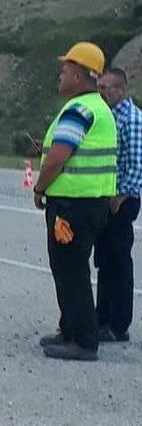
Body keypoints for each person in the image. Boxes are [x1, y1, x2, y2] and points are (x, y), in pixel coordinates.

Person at [35, 42, 117, 361]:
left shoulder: (79, 109)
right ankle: (70, 328)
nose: (61, 75)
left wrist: (40, 187)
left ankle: (83, 340)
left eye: (66, 70)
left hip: (72, 204)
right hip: (90, 202)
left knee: (70, 270)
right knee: (70, 266)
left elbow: (58, 156)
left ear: (80, 76)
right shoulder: (99, 108)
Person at [94, 67, 142, 342]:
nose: (102, 92)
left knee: (119, 261)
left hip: (121, 200)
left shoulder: (132, 119)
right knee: (105, 261)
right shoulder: (111, 117)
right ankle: (102, 316)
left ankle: (118, 323)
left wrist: (120, 197)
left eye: (106, 88)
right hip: (107, 196)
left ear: (121, 90)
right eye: (99, 87)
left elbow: (137, 164)